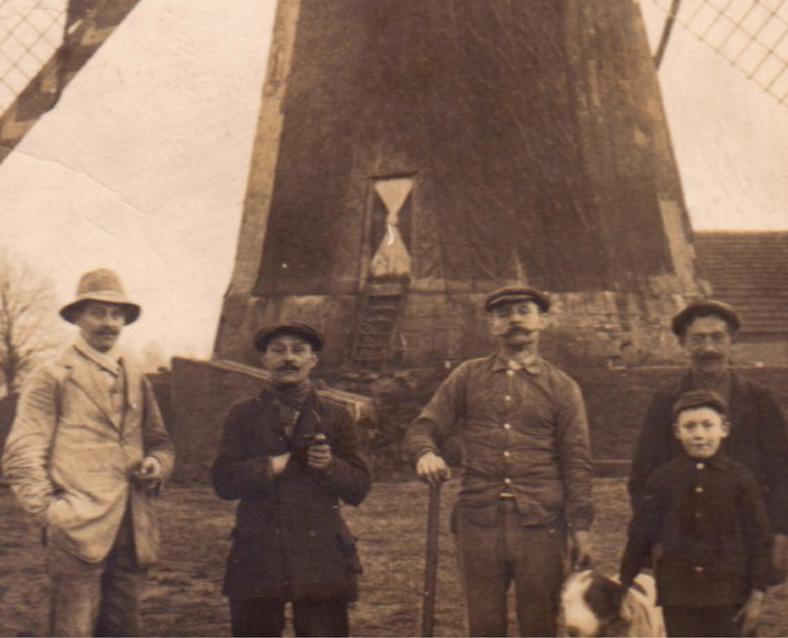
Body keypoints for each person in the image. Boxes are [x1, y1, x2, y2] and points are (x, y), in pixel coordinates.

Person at [403, 285, 594, 637]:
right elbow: (423, 427)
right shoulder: (467, 377)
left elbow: (576, 462)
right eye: (503, 314)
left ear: (543, 320)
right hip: (479, 521)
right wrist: (426, 453)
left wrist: (581, 528)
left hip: (541, 523)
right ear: (491, 325)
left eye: (524, 311)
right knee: (484, 624)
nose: (514, 320)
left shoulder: (563, 387)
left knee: (540, 623)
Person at [2, 268, 175, 637]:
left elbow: (160, 443)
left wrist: (156, 464)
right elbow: (21, 454)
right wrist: (53, 514)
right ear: (77, 317)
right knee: (73, 631)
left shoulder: (135, 375)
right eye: (98, 312)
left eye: (116, 314)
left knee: (123, 629)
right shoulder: (53, 374)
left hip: (132, 529)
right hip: (76, 531)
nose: (108, 323)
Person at [211, 322, 371, 637]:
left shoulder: (336, 415)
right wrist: (270, 466)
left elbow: (360, 486)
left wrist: (330, 466)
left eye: (298, 350)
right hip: (258, 551)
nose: (289, 358)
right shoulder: (242, 414)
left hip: (320, 554)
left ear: (313, 360)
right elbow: (223, 481)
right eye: (278, 350)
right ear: (265, 359)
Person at [628, 300, 788, 580]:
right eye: (698, 339)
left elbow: (781, 472)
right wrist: (653, 536)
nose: (709, 348)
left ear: (732, 341)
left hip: (744, 533)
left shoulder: (759, 400)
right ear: (683, 343)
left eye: (717, 338)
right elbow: (643, 475)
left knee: (743, 604)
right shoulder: (665, 401)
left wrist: (781, 532)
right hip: (682, 535)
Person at [620, 389, 773, 637]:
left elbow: (759, 538)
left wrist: (757, 594)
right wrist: (624, 584)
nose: (699, 434)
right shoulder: (662, 479)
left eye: (707, 425)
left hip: (730, 595)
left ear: (724, 429)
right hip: (679, 597)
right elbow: (640, 535)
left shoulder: (741, 478)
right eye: (689, 426)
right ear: (677, 432)